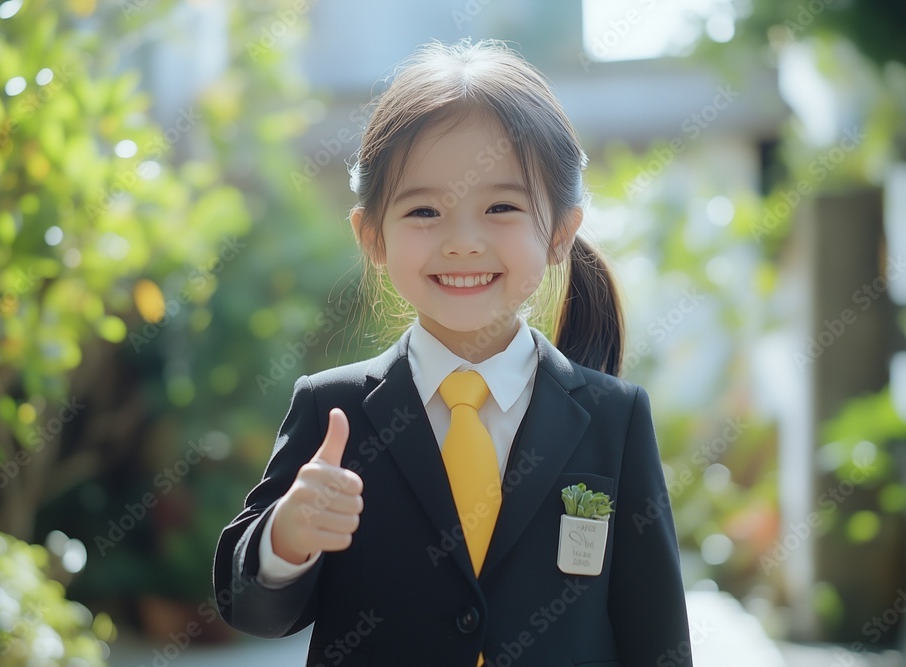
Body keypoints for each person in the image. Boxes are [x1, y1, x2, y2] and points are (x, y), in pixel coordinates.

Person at [213, 37, 691, 666]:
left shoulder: (614, 419)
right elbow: (250, 606)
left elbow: (656, 636)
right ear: (372, 235)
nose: (462, 242)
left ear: (560, 233)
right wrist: (288, 537)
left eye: (501, 206)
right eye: (425, 210)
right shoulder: (334, 412)